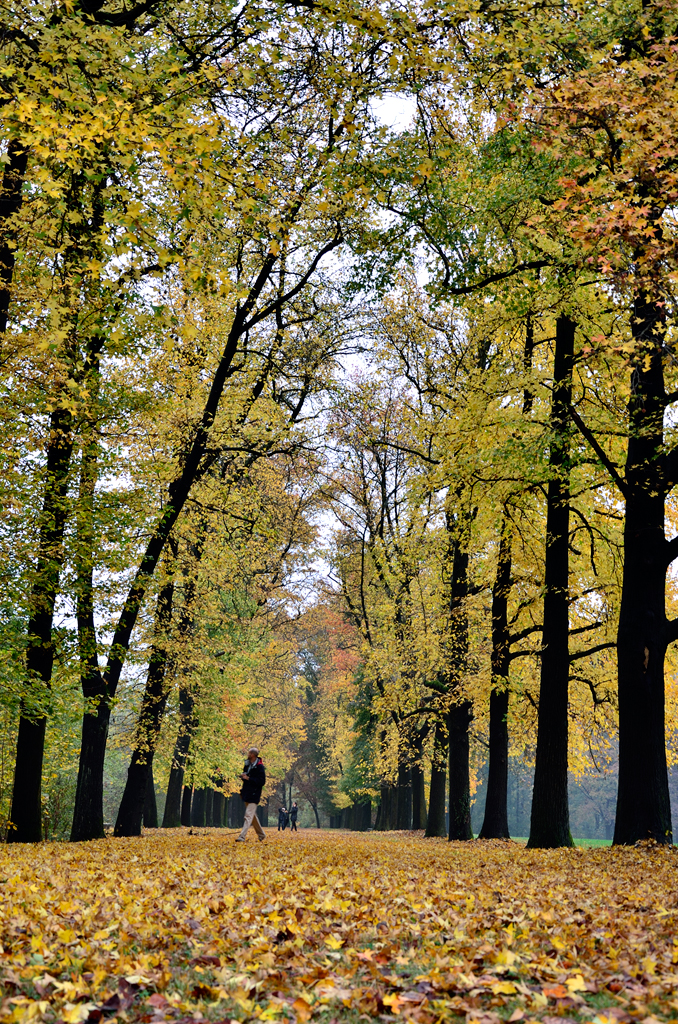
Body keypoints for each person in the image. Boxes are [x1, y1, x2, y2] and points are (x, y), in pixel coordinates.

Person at [235, 747, 266, 842]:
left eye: (249, 753)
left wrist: (249, 779)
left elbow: (262, 781)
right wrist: (243, 776)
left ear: (253, 755)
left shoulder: (260, 767)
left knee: (248, 815)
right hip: (246, 794)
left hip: (254, 795)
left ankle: (242, 836)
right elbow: (247, 777)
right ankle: (262, 835)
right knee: (253, 817)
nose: (247, 755)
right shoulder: (247, 765)